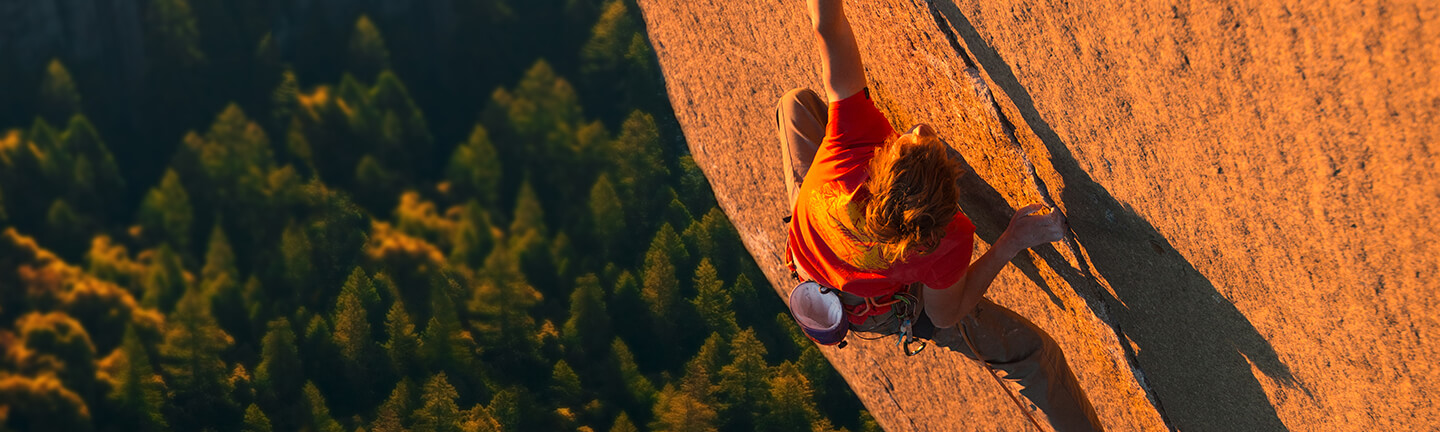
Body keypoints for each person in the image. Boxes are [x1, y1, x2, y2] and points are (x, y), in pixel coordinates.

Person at [779, 0, 1105, 430]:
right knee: (1034, 356)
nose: (920, 130)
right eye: (924, 143)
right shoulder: (946, 243)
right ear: (942, 219)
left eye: (911, 141)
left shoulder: (845, 146)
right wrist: (1011, 241)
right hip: (876, 305)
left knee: (796, 105)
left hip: (817, 251)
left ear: (879, 166)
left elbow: (828, 29)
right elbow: (946, 316)